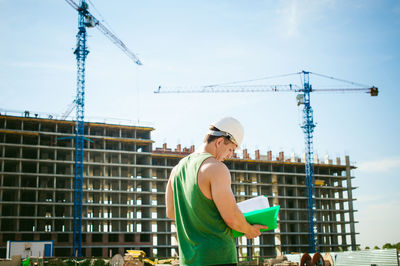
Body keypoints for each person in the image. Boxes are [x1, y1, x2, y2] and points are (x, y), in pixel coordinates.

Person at [165, 117, 267, 266]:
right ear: (219, 142)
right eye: (231, 149)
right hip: (218, 257)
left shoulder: (176, 170)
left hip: (188, 260)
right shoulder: (216, 168)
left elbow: (171, 212)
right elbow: (231, 217)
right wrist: (249, 229)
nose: (230, 155)